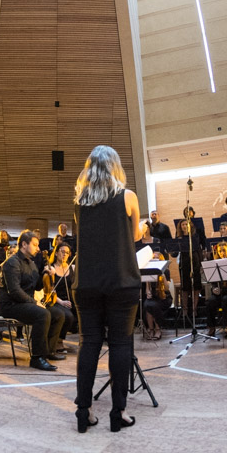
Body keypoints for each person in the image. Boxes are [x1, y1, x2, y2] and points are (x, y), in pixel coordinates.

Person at [72, 145, 142, 433]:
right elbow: (135, 235)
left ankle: (83, 412)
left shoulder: (79, 202)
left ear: (90, 169)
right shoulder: (128, 196)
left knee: (89, 343)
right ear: (115, 167)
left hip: (87, 283)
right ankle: (118, 413)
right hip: (121, 281)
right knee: (120, 344)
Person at [0, 230, 65, 371]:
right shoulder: (12, 263)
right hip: (9, 305)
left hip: (23, 303)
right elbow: (14, 291)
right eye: (35, 245)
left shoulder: (31, 264)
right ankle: (37, 358)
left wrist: (46, 273)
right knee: (43, 314)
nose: (38, 248)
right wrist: (35, 303)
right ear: (24, 245)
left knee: (59, 314)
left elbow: (37, 285)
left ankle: (48, 352)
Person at [44, 241, 76, 351]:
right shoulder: (50, 268)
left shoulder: (72, 267)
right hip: (56, 301)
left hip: (71, 300)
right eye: (62, 252)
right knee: (68, 316)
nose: (65, 255)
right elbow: (49, 290)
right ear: (56, 253)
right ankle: (59, 340)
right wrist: (61, 302)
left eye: (67, 253)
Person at [175, 218, 203, 324]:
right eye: (183, 224)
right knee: (185, 287)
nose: (184, 226)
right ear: (180, 227)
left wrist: (200, 264)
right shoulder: (179, 238)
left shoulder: (195, 236)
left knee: (196, 286)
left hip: (195, 262)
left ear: (190, 225)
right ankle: (185, 309)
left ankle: (194, 309)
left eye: (186, 224)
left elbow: (199, 250)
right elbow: (174, 253)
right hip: (184, 263)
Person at [142, 252, 172, 341]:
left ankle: (158, 329)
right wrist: (148, 292)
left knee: (154, 306)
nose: (154, 260)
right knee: (147, 304)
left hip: (164, 297)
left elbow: (167, 288)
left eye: (156, 259)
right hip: (153, 296)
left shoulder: (166, 271)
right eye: (153, 259)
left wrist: (163, 277)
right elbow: (147, 288)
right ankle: (151, 330)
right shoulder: (149, 271)